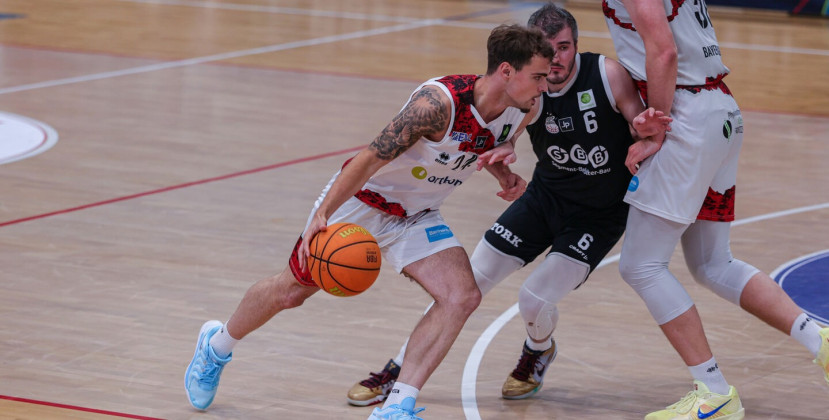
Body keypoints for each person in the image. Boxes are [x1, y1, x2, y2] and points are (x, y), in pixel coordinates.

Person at [183, 24, 556, 419]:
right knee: (291, 292)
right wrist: (323, 213)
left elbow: (487, 143)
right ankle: (216, 346)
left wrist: (504, 170)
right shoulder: (436, 105)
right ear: (506, 71)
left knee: (461, 296)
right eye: (537, 76)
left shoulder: (526, 107)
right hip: (362, 204)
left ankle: (396, 406)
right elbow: (369, 158)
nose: (544, 86)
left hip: (417, 214)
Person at [345, 3, 671, 407]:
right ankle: (397, 369)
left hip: (598, 214)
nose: (556, 59)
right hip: (544, 199)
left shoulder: (607, 74)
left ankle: (538, 350)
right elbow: (508, 135)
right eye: (548, 49)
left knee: (534, 299)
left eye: (564, 47)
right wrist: (507, 153)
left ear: (577, 44)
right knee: (466, 283)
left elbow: (643, 130)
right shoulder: (528, 86)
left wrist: (643, 130)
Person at [602, 0, 829, 418]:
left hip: (685, 118)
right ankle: (821, 342)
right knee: (712, 263)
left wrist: (656, 130)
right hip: (720, 113)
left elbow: (664, 51)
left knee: (640, 266)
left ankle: (715, 392)